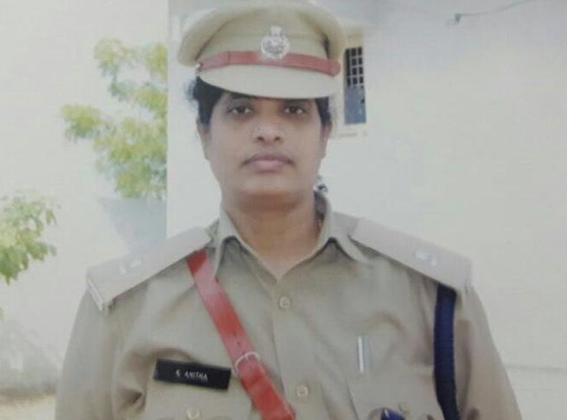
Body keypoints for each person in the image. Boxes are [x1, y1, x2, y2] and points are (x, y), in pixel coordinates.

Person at [56, 1, 522, 419]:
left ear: (325, 134)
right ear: (203, 134)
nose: (268, 131)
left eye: (294, 110)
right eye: (241, 110)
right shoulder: (127, 311)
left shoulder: (430, 299)